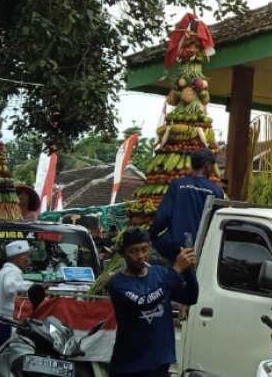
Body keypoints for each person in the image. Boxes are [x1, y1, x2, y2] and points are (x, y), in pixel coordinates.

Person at [107, 228, 198, 377]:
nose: (140, 256)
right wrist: (177, 269)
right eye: (133, 251)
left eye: (144, 249)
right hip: (130, 367)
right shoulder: (117, 283)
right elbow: (144, 301)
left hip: (160, 363)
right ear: (123, 253)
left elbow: (190, 297)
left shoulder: (160, 273)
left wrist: (189, 270)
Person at [151, 148, 224, 261]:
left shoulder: (178, 185)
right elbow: (216, 223)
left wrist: (151, 235)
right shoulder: (216, 191)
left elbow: (163, 216)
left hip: (173, 249)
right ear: (208, 165)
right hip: (199, 251)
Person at [0, 240, 33, 375]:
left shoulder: (2, 272)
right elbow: (11, 286)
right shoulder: (12, 272)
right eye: (25, 256)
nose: (28, 260)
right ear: (16, 258)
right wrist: (35, 287)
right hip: (5, 325)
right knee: (2, 361)